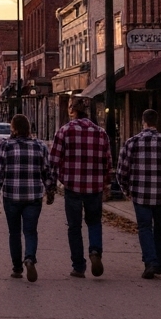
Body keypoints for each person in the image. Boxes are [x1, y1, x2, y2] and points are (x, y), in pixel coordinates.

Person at [117, 109, 161, 279]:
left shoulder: (132, 143)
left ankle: (150, 261)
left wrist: (126, 189)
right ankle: (159, 263)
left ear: (144, 122)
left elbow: (122, 171)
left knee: (144, 227)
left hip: (140, 193)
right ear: (157, 121)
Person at [49, 97, 112, 278]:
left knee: (74, 227)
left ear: (71, 110)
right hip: (94, 187)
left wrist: (51, 186)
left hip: (72, 186)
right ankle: (95, 251)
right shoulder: (100, 133)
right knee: (94, 222)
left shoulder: (64, 131)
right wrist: (106, 184)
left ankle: (78, 266)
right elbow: (107, 161)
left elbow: (53, 162)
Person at [0, 114, 55, 282]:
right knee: (30, 231)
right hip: (33, 196)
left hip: (12, 196)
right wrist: (50, 190)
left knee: (14, 233)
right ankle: (30, 258)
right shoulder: (40, 146)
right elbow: (47, 171)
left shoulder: (6, 146)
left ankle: (17, 268)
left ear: (14, 128)